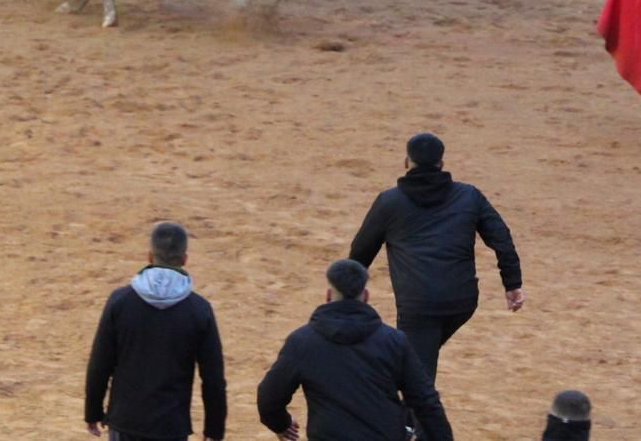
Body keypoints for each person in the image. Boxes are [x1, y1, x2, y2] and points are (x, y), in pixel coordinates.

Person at [348, 133, 523, 382]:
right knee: (414, 360)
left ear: (407, 162)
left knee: (416, 375)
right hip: (462, 301)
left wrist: (348, 293)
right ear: (441, 163)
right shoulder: (469, 196)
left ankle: (412, 419)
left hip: (419, 306)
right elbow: (501, 238)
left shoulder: (390, 202)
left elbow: (360, 252)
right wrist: (513, 283)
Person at [258, 259, 452, 441]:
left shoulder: (302, 342)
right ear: (366, 296)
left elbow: (269, 399)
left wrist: (281, 424)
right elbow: (426, 403)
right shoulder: (394, 341)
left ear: (328, 296)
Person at [85, 222, 226, 441]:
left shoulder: (120, 302)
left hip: (126, 422)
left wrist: (93, 411)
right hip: (171, 426)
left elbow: (100, 364)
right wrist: (214, 430)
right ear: (184, 259)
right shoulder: (199, 310)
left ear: (150, 257)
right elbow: (213, 378)